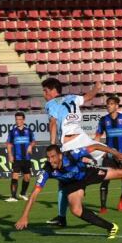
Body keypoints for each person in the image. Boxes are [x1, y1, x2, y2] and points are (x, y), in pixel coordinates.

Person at [14, 144, 122, 238]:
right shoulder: (47, 170)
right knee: (75, 210)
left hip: (89, 173)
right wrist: (24, 216)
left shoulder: (72, 154)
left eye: (53, 157)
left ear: (60, 155)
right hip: (73, 185)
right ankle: (111, 227)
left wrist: (115, 154)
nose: (51, 160)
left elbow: (95, 147)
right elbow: (34, 194)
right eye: (48, 158)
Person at [42, 77, 102, 227]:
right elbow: (89, 97)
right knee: (68, 179)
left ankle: (65, 215)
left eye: (45, 91)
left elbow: (53, 123)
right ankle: (62, 217)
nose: (44, 94)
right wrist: (97, 87)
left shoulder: (51, 104)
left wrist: (52, 147)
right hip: (81, 138)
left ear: (53, 90)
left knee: (66, 181)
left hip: (68, 144)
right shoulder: (72, 97)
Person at [94, 95, 122, 214]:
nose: (109, 106)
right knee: (104, 178)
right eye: (108, 104)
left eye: (112, 104)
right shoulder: (103, 120)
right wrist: (95, 149)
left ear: (117, 106)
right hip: (109, 155)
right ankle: (103, 207)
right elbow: (98, 135)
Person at [5, 112, 36, 202]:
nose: (18, 121)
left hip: (26, 158)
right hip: (16, 158)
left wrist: (30, 146)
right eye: (16, 119)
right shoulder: (12, 132)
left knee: (27, 177)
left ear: (23, 120)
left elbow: (33, 141)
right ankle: (13, 196)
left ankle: (22, 193)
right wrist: (10, 155)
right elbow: (9, 144)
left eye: (19, 119)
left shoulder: (29, 131)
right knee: (15, 176)